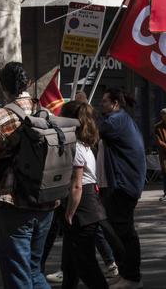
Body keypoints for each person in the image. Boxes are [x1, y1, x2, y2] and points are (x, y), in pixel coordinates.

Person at [0, 62, 56, 289]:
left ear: (3, 86)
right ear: (28, 83)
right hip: (47, 201)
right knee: (34, 271)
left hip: (14, 204)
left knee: (17, 277)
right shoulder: (46, 113)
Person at [58, 100, 109, 289]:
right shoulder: (85, 145)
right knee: (71, 266)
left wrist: (69, 213)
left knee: (86, 266)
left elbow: (77, 186)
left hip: (83, 211)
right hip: (88, 208)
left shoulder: (77, 147)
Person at [98, 88, 146, 289]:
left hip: (123, 186)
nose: (101, 105)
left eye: (104, 101)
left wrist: (82, 107)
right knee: (118, 231)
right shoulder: (120, 119)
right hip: (122, 185)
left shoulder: (115, 121)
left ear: (115, 104)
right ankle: (125, 273)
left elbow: (93, 129)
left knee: (125, 233)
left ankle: (132, 278)